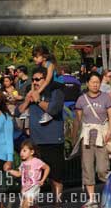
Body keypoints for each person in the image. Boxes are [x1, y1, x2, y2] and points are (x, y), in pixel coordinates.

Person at [15, 67, 66, 203]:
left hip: (53, 141)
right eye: (33, 79)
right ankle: (32, 204)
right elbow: (18, 112)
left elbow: (53, 110)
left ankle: (57, 204)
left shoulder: (56, 91)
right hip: (35, 142)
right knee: (33, 179)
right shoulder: (30, 92)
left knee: (55, 178)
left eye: (38, 79)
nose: (35, 82)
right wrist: (27, 100)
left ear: (46, 80)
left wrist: (38, 100)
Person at [73, 72, 111, 207]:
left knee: (102, 169)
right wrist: (74, 137)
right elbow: (77, 120)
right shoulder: (81, 99)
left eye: (97, 82)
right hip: (86, 137)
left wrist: (110, 131)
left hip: (102, 137)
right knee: (87, 168)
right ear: (87, 83)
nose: (95, 84)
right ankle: (91, 199)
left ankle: (109, 193)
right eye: (92, 82)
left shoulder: (106, 98)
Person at [7, 140, 50, 208]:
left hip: (34, 187)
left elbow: (47, 168)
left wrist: (42, 180)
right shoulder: (23, 164)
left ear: (32, 152)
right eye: (21, 150)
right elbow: (19, 174)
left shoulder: (36, 161)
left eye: (24, 150)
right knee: (31, 206)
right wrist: (10, 170)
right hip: (24, 189)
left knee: (25, 206)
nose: (21, 153)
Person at [32, 45, 63, 124]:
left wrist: (38, 92)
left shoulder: (50, 65)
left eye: (36, 57)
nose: (34, 58)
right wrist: (33, 91)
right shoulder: (40, 66)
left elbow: (47, 80)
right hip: (50, 83)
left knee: (47, 88)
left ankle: (48, 112)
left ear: (44, 58)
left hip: (57, 83)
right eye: (34, 56)